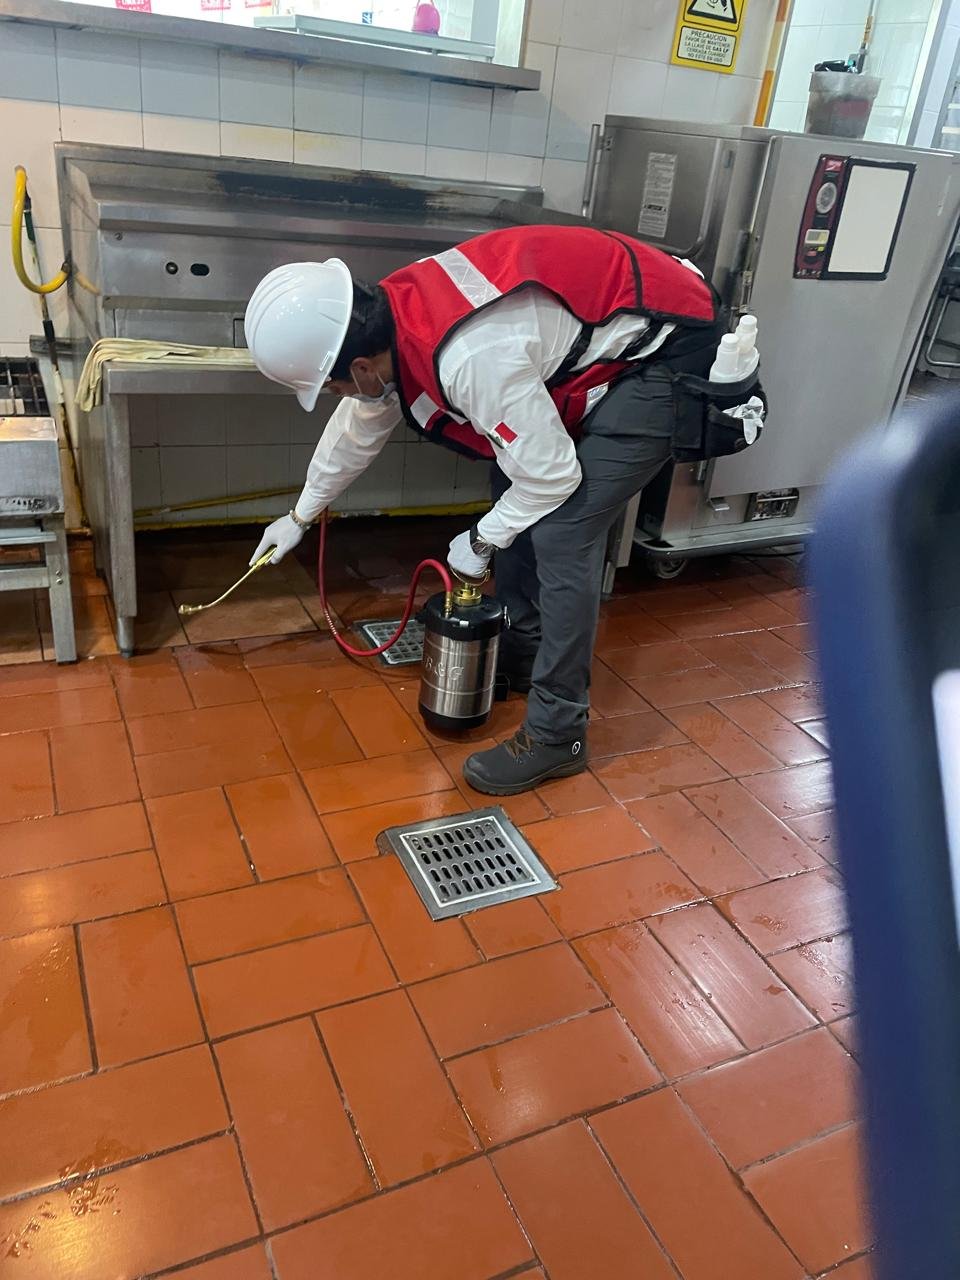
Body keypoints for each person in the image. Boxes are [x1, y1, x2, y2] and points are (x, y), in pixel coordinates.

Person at [244, 224, 723, 796]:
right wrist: (300, 515)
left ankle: (557, 732)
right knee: (512, 488)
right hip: (603, 340)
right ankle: (522, 654)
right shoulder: (392, 319)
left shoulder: (470, 357)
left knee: (563, 531)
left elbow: (552, 477)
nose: (339, 396)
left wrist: (478, 541)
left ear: (363, 367)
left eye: (333, 386)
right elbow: (359, 427)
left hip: (668, 349)